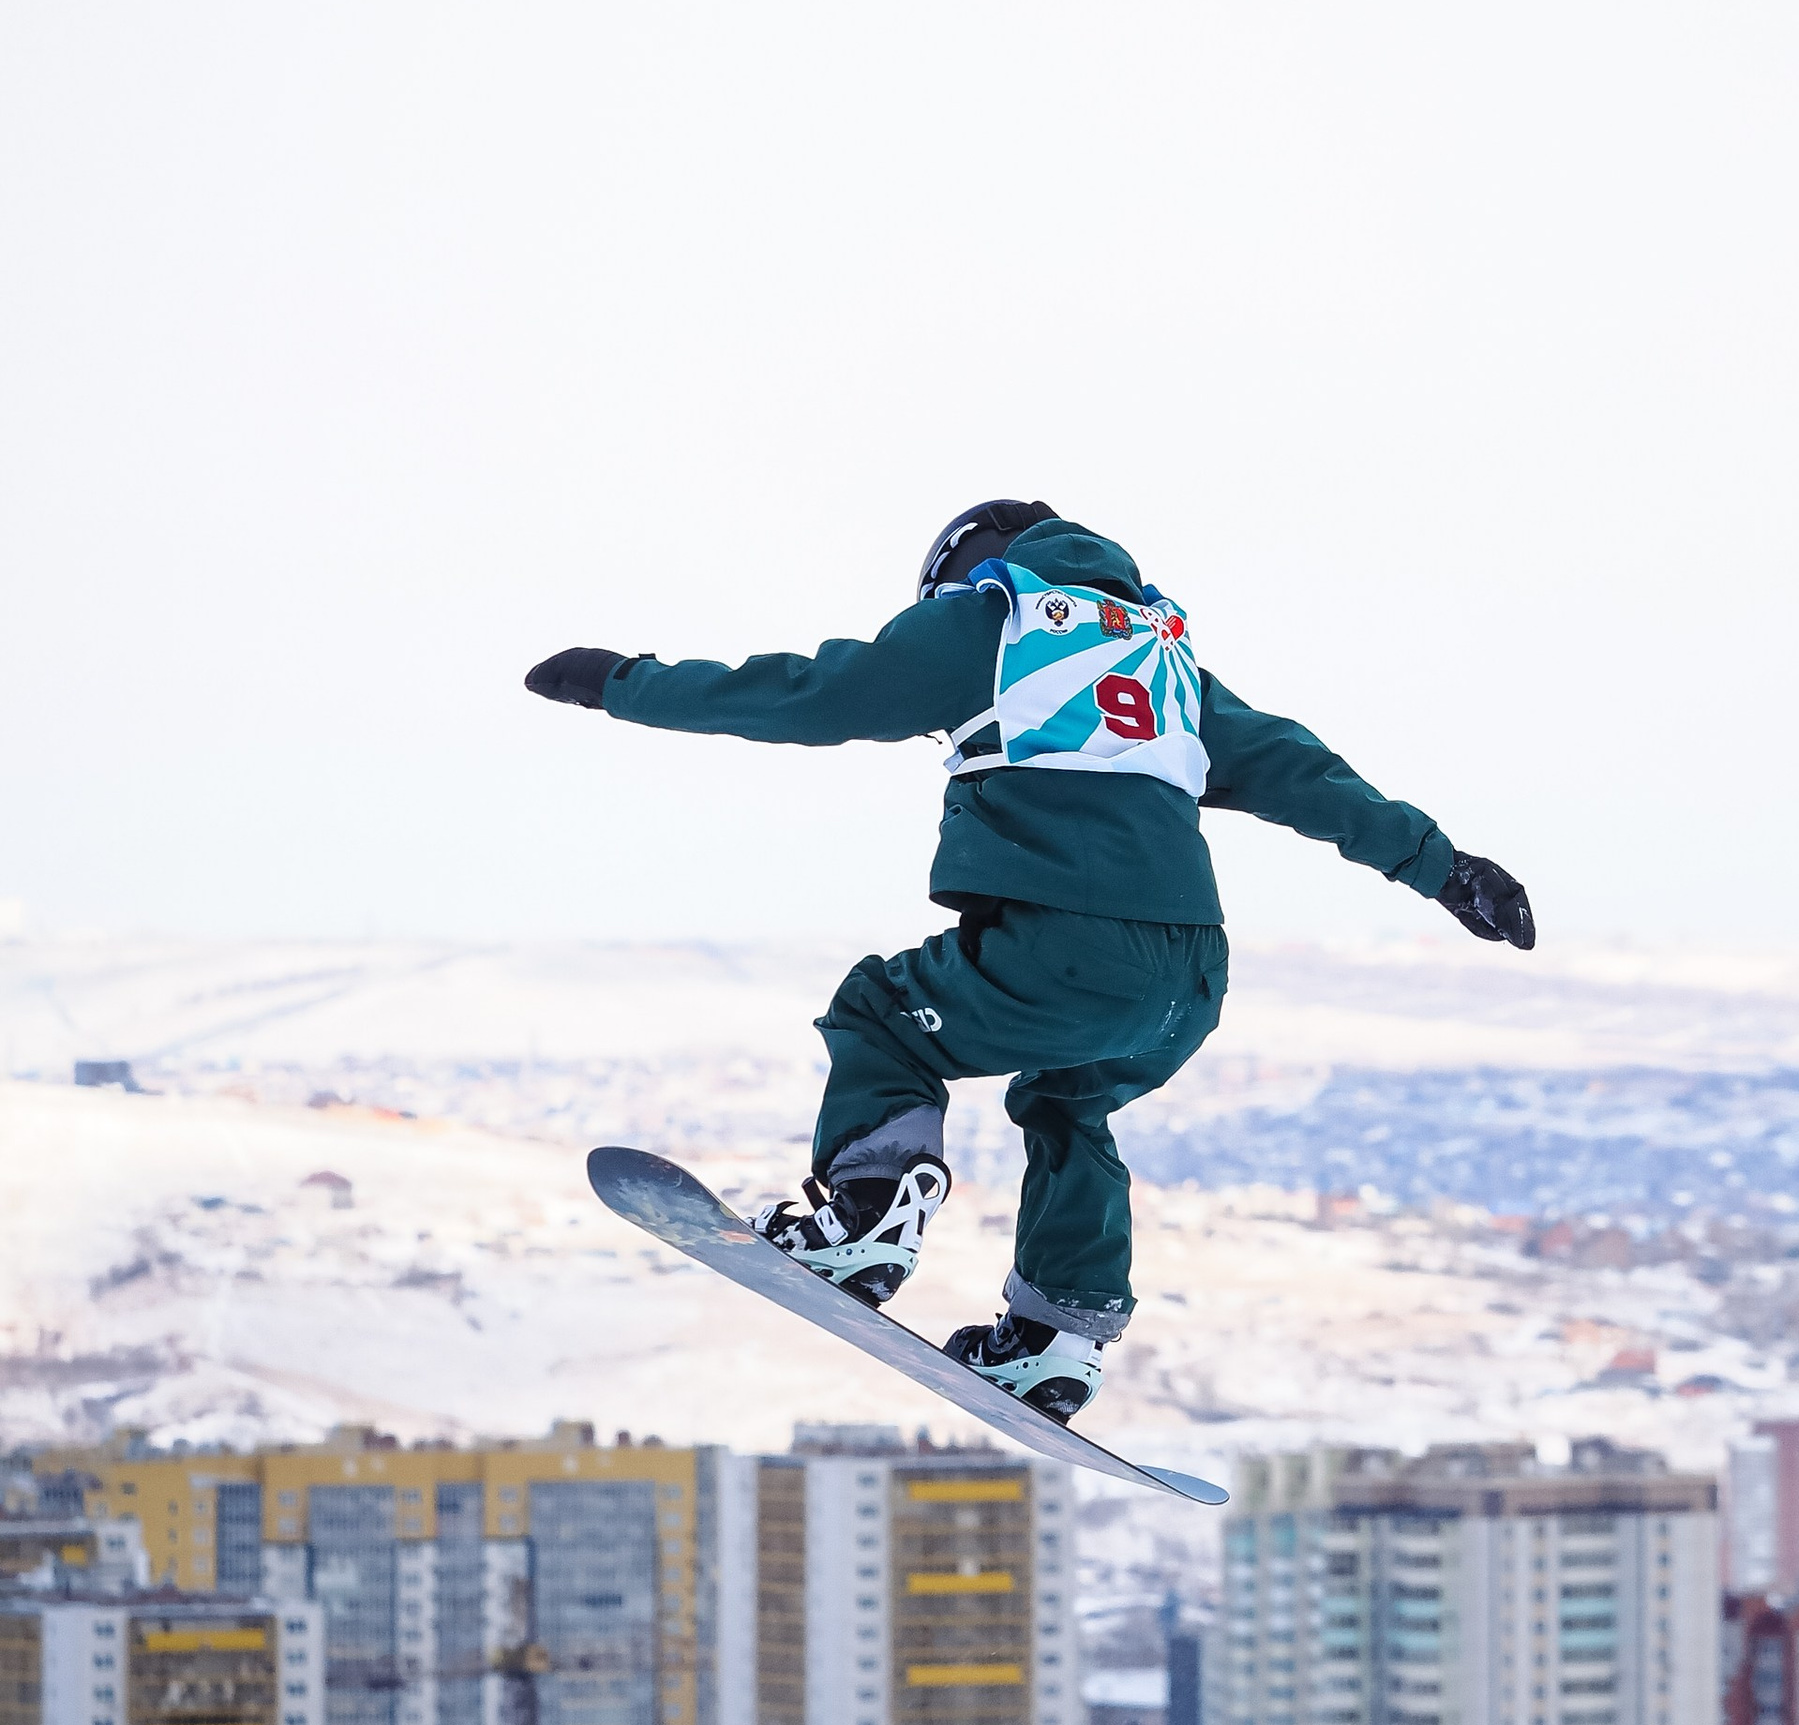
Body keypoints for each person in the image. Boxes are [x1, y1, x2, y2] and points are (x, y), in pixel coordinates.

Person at [526, 500, 1532, 1425]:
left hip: (1070, 946)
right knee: (1066, 1105)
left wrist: (627, 686)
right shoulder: (1162, 661)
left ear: (964, 572)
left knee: (882, 1013)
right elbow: (1304, 773)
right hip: (1188, 982)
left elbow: (812, 694)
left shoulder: (988, 622)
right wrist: (1446, 870)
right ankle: (1059, 1334)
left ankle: (866, 1215)